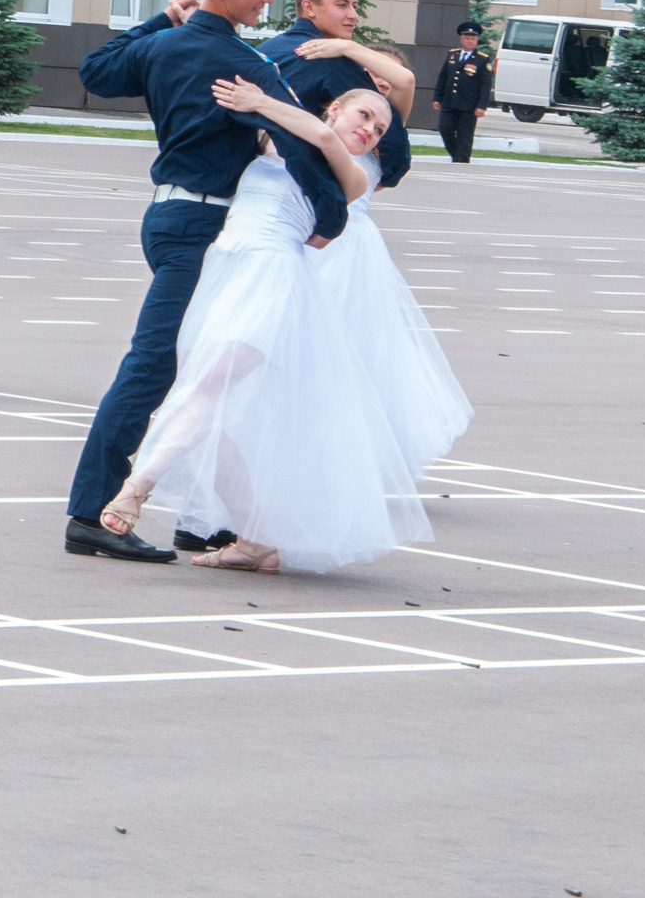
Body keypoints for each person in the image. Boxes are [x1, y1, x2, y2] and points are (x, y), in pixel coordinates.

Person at [62, 0, 353, 565]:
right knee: (159, 368)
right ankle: (91, 513)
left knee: (207, 376)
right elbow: (300, 140)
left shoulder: (168, 44)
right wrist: (333, 215)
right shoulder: (242, 64)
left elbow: (95, 72)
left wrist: (157, 19)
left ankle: (212, 522)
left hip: (169, 218)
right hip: (200, 228)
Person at [102, 82, 432, 575]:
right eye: (363, 116)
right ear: (337, 107)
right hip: (228, 270)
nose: (369, 131)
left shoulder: (353, 172)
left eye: (379, 129)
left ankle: (136, 488)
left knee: (206, 389)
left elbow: (321, 137)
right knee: (220, 414)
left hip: (272, 282)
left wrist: (261, 101)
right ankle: (257, 539)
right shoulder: (276, 139)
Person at [313, 92, 473, 483]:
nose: (372, 125)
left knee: (355, 347)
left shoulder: (379, 146)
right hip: (315, 242)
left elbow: (404, 82)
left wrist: (339, 52)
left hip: (351, 253)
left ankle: (348, 453)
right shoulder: (329, 128)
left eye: (379, 122)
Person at [262, 0, 414, 194]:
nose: (353, 15)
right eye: (341, 5)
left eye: (354, 6)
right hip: (303, 190)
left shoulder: (266, 50)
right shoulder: (332, 61)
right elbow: (392, 141)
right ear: (309, 7)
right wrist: (389, 174)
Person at [432, 22, 494, 164]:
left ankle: (462, 160)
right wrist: (437, 97)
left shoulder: (482, 59)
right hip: (449, 102)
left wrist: (482, 106)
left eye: (473, 38)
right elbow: (443, 77)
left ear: (476, 40)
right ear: (461, 39)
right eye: (467, 38)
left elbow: (486, 85)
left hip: (469, 105)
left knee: (464, 135)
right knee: (444, 129)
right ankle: (457, 156)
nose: (470, 40)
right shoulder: (452, 55)